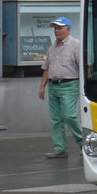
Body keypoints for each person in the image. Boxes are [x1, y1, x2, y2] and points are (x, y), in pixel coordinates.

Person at [38, 16, 83, 159]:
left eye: (60, 28)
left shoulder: (76, 45)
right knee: (56, 119)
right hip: (53, 85)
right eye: (55, 28)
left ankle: (85, 143)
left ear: (68, 29)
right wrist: (42, 87)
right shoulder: (52, 47)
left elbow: (83, 67)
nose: (57, 31)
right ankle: (60, 148)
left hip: (70, 84)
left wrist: (84, 85)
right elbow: (47, 68)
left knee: (70, 116)